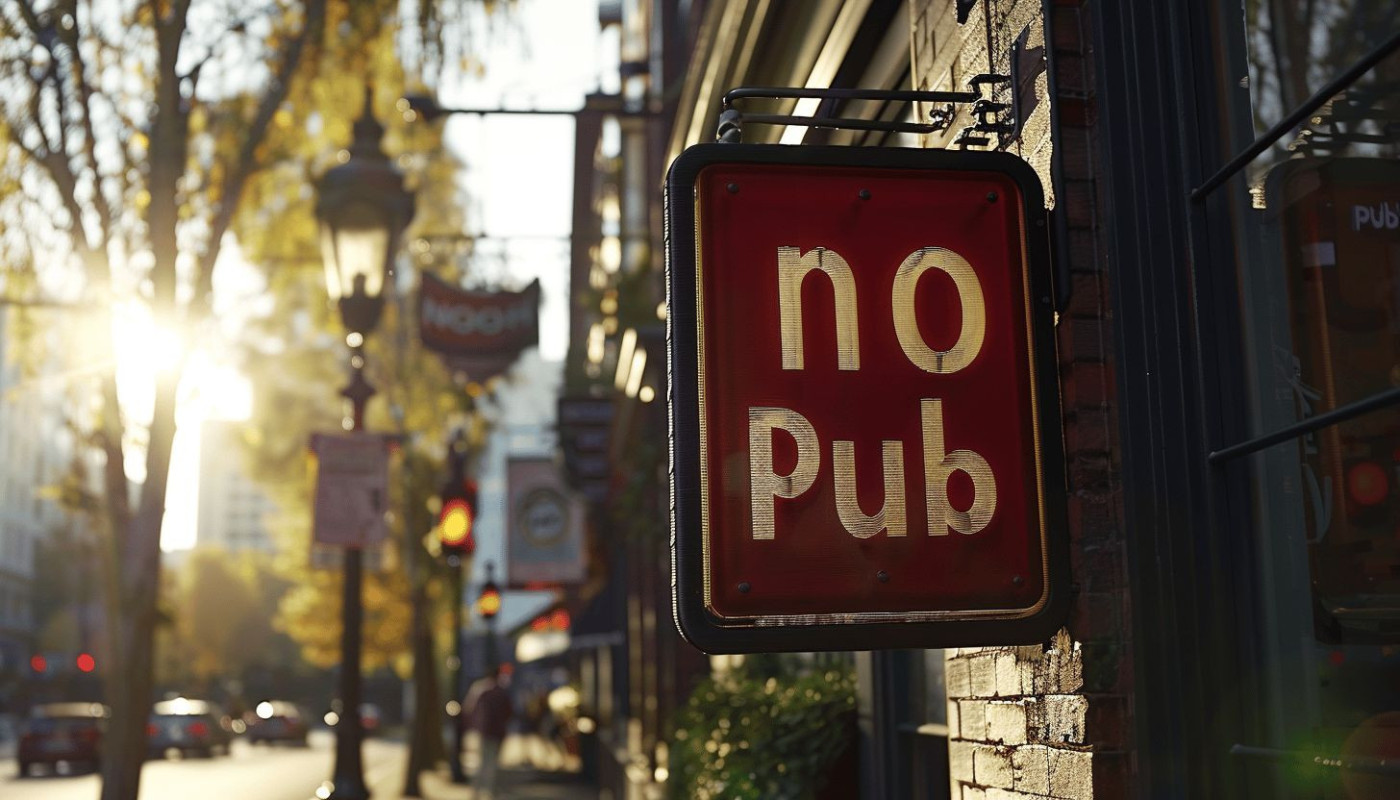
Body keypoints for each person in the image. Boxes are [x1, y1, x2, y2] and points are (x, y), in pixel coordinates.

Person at [465, 665, 512, 798]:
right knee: (493, 764)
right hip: (497, 732)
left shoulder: (480, 689)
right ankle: (490, 792)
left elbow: (469, 709)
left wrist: (474, 726)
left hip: (484, 731)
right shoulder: (501, 691)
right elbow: (509, 712)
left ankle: (477, 793)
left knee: (482, 763)